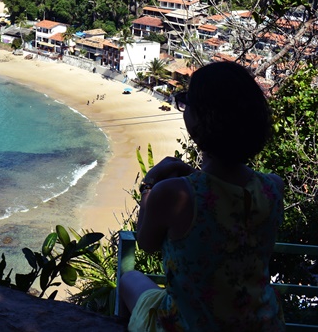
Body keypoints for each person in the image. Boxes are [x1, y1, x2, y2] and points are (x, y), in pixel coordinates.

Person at [120, 61, 285, 331]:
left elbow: (146, 242)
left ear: (198, 119)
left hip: (192, 325)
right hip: (262, 324)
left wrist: (149, 185)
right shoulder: (273, 188)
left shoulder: (175, 194)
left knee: (129, 279)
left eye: (187, 102)